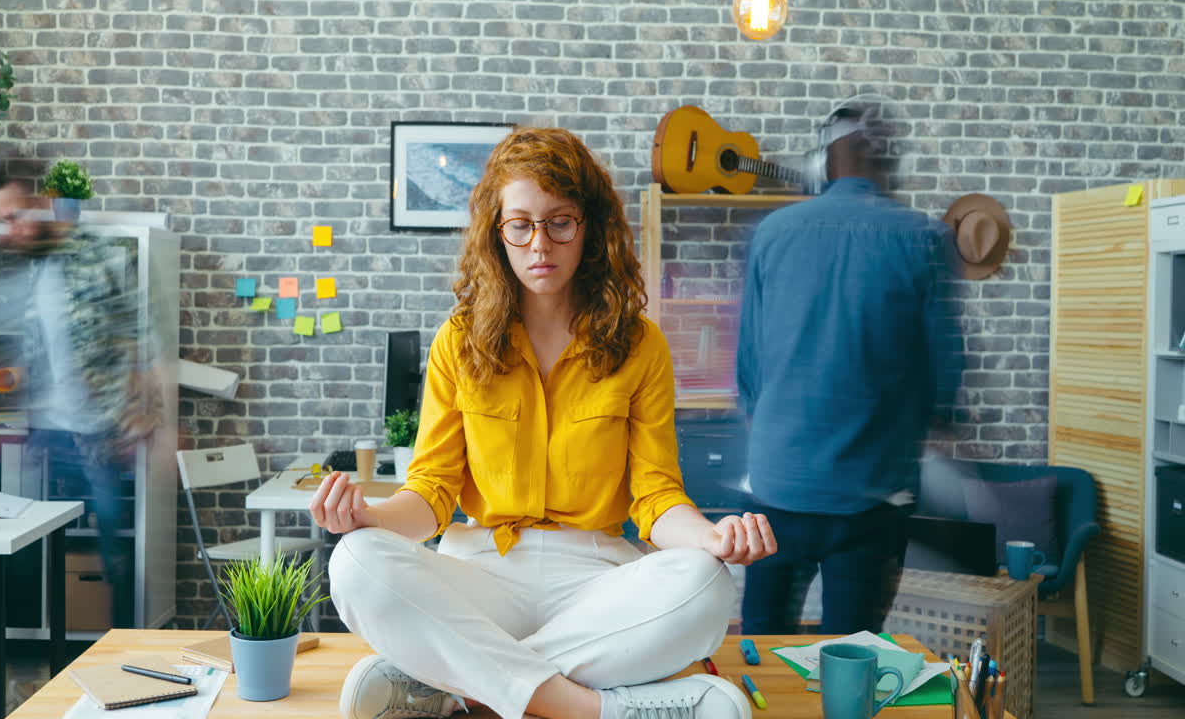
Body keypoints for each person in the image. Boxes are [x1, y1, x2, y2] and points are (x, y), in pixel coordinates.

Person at [311, 127, 778, 719]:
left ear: (590, 226)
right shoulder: (458, 341)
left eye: (560, 221)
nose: (540, 244)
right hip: (481, 571)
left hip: (597, 579)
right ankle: (601, 710)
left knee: (707, 584)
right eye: (521, 224)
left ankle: (451, 687)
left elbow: (656, 498)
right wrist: (368, 519)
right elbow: (431, 491)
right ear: (496, 232)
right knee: (354, 562)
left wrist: (713, 538)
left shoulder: (641, 345)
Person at [735, 98, 961, 635]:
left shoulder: (773, 232)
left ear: (825, 162)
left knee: (762, 649)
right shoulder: (923, 238)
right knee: (853, 656)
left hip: (777, 488)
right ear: (888, 164)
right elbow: (944, 374)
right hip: (872, 496)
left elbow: (749, 370)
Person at [0, 167, 164, 628]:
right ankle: (26, 670)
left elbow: (141, 337)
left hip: (97, 430)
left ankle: (126, 649)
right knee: (19, 550)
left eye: (15, 216)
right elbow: (46, 343)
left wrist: (148, 410)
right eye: (2, 221)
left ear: (42, 203)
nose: (11, 230)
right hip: (46, 429)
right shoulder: (34, 264)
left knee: (112, 550)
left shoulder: (101, 256)